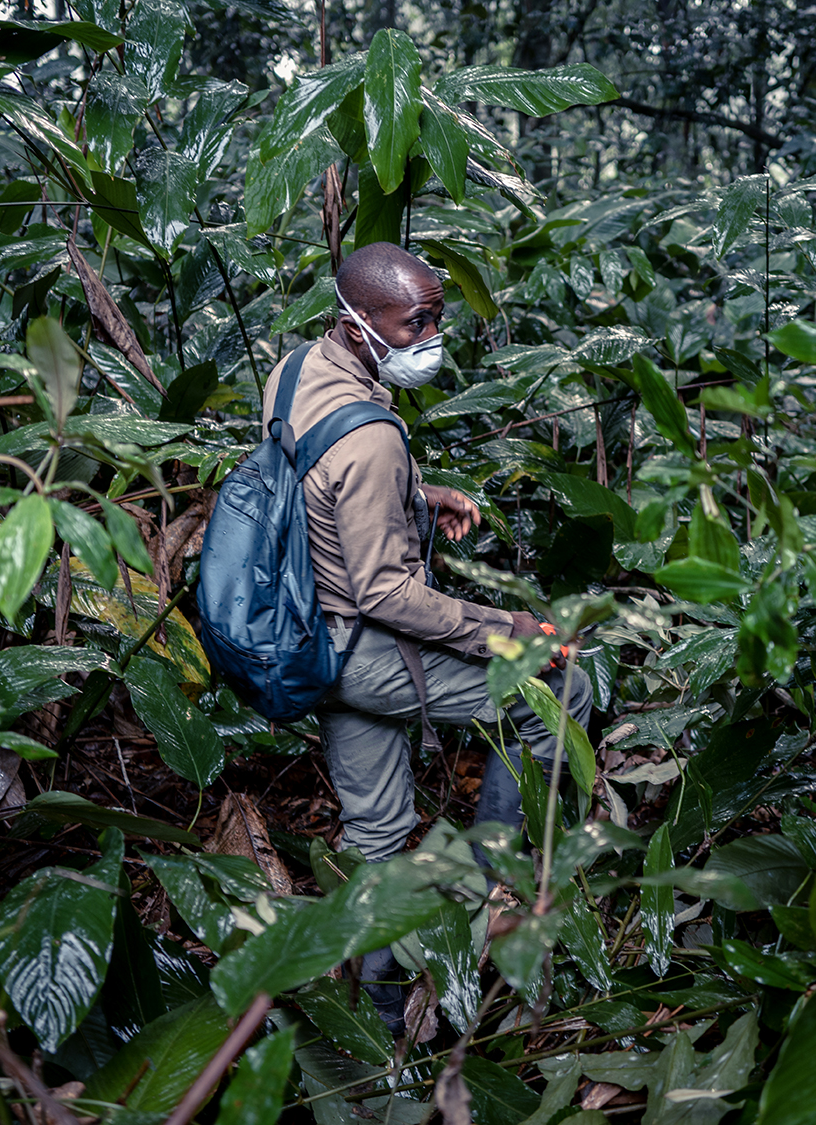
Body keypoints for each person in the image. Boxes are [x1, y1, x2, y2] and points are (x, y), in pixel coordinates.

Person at [258, 241, 592, 1028]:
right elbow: (387, 592)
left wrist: (420, 491)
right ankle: (488, 886)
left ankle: (374, 1027)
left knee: (376, 833)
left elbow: (316, 473)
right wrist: (504, 629)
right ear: (358, 321)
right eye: (415, 323)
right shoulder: (372, 437)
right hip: (363, 649)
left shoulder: (298, 368)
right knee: (555, 691)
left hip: (306, 634)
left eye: (437, 317)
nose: (431, 336)